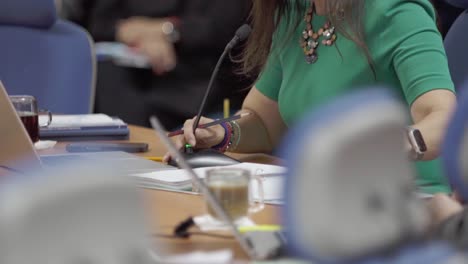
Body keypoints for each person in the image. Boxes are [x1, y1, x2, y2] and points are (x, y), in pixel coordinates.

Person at [170, 0, 456, 194]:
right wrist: (219, 133)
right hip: (322, 194)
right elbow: (265, 123)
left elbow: (444, 119)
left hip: (400, 200)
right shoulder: (296, 12)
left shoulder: (396, 11)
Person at [63, 0, 250, 129]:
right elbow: (98, 21)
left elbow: (226, 26)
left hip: (197, 82)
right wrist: (128, 33)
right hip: (127, 73)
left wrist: (166, 31)